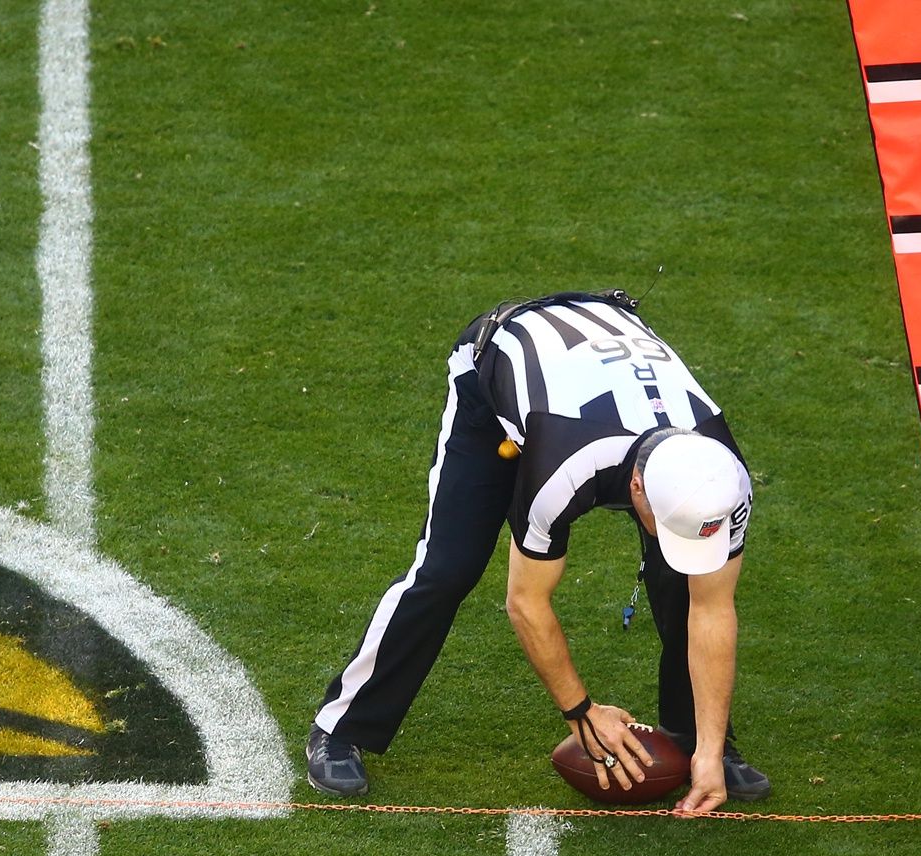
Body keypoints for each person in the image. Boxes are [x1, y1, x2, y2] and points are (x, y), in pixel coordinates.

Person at [306, 289, 770, 815]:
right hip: (500, 366)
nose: (668, 537)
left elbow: (714, 607)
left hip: (599, 370)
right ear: (636, 489)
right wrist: (581, 712)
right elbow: (526, 602)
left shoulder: (724, 475)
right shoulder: (563, 468)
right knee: (447, 567)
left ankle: (699, 738)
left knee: (683, 579)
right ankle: (339, 727)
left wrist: (709, 751)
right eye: (664, 524)